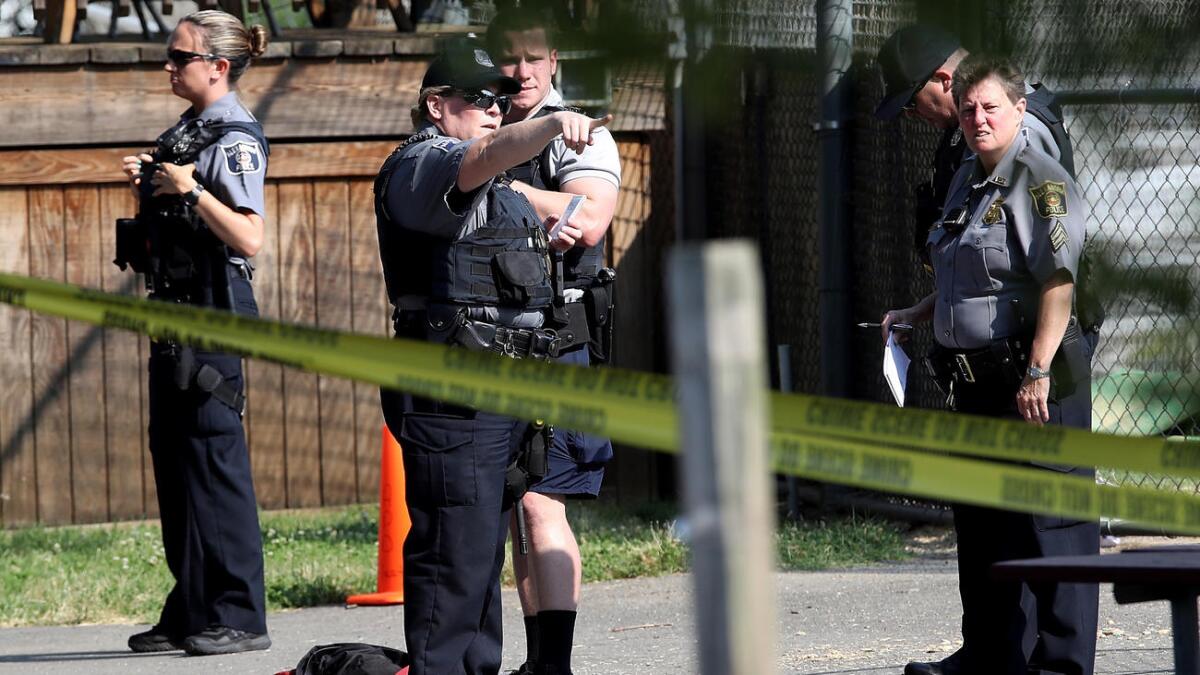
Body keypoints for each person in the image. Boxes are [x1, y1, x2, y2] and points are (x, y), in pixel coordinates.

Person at [374, 39, 611, 675]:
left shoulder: (496, 186)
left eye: (502, 103)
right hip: (456, 389)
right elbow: (480, 156)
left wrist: (550, 238)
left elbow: (573, 221)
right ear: (435, 105)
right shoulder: (423, 163)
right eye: (480, 100)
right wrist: (552, 124)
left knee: (477, 553)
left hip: (506, 389)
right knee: (453, 554)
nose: (496, 112)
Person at [881, 56, 1099, 675]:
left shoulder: (1039, 178)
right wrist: (920, 311)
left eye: (991, 108)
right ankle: (991, 655)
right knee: (983, 528)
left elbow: (1058, 282)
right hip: (977, 384)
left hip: (1034, 380)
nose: (978, 119)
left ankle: (1061, 665)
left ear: (1019, 109)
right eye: (971, 108)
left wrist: (1037, 371)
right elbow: (967, 276)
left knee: (1052, 526)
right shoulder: (967, 179)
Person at [117, 10, 271, 657]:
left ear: (218, 67)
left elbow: (249, 236)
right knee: (175, 460)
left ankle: (240, 613)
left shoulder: (232, 137)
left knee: (214, 457)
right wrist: (151, 190)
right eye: (170, 55)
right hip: (174, 310)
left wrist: (191, 190)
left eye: (180, 57)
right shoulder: (184, 133)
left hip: (213, 310)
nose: (169, 67)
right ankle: (193, 606)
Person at [484, 9, 621, 675]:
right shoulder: (490, 129)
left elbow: (588, 218)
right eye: (508, 59)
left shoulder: (577, 133)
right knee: (517, 506)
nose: (521, 71)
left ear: (555, 59)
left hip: (560, 344)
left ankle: (556, 665)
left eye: (532, 57)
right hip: (500, 345)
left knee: (542, 501)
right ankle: (538, 661)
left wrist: (506, 187)